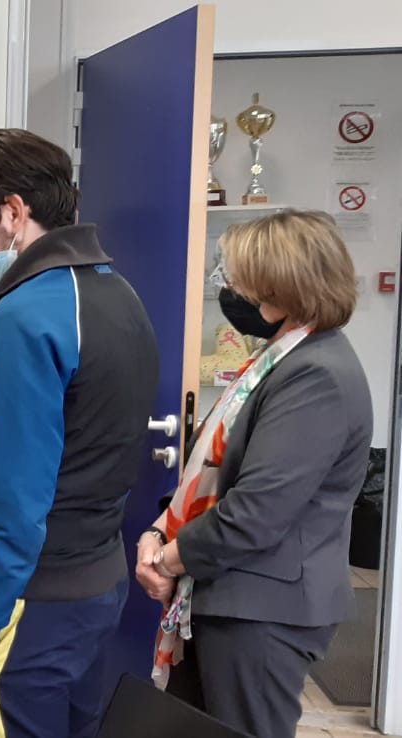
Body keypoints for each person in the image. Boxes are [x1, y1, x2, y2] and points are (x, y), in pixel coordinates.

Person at [0, 129, 159, 738]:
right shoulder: (119, 291)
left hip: (31, 600)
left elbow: (16, 492)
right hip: (96, 581)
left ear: (13, 212)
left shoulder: (26, 313)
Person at [136, 210, 369, 738]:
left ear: (282, 281)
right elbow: (215, 473)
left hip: (263, 607)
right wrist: (157, 532)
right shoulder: (279, 358)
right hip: (230, 593)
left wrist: (170, 558)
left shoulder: (316, 373)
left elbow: (256, 512)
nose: (232, 288)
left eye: (241, 276)